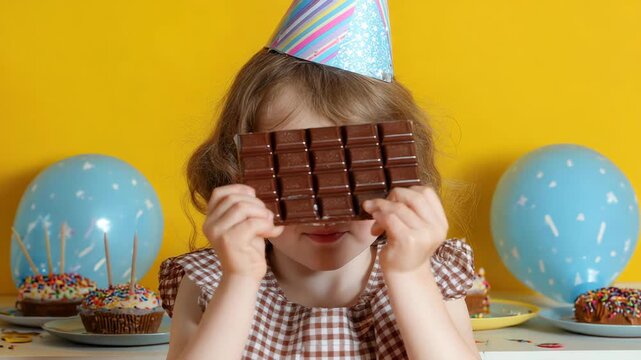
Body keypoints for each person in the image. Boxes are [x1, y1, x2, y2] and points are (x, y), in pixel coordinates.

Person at [159, 1, 479, 359]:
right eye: (291, 173)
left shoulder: (430, 274)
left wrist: (409, 276)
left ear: (396, 171)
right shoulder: (212, 280)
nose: (323, 212)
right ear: (238, 172)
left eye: (352, 173)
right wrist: (239, 280)